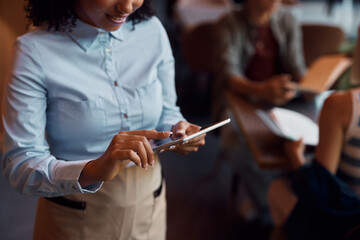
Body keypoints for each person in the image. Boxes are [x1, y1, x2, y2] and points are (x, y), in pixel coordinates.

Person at [1, 0, 206, 239]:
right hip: (75, 218)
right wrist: (94, 169)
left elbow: (167, 110)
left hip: (151, 206)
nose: (128, 7)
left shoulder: (152, 30)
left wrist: (177, 129)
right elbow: (20, 165)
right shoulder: (34, 51)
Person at [212, 0, 306, 222]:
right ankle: (271, 202)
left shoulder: (288, 20)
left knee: (314, 133)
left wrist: (309, 82)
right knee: (233, 141)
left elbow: (296, 67)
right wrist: (261, 90)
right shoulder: (227, 24)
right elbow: (229, 75)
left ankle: (282, 198)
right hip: (239, 100)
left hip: (281, 101)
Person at [267, 87, 360, 239]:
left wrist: (297, 158)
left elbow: (319, 189)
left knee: (276, 188)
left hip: (345, 223)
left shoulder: (343, 105)